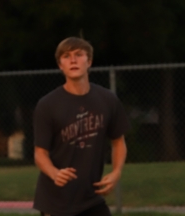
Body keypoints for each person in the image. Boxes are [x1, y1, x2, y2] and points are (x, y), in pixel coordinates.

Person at [33, 37, 129, 216]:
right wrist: (55, 173)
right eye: (66, 56)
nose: (73, 60)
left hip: (91, 197)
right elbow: (40, 154)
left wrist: (116, 172)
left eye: (79, 54)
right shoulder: (48, 104)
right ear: (60, 65)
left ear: (89, 61)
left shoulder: (107, 100)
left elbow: (118, 142)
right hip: (56, 201)